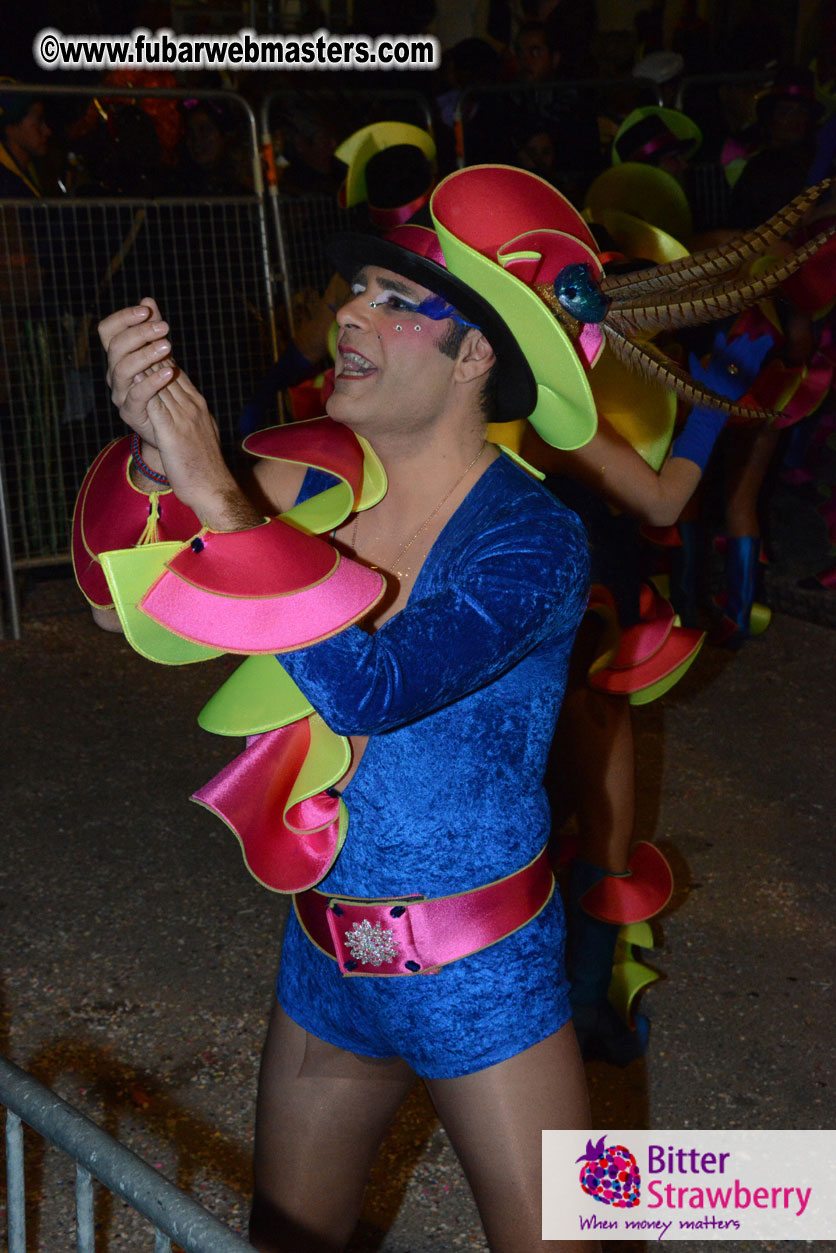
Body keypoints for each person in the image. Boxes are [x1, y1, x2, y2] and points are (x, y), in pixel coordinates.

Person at [76, 168, 601, 1253]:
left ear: (476, 357)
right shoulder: (316, 483)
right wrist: (148, 450)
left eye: (399, 300)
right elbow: (114, 588)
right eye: (354, 288)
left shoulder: (535, 539)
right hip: (323, 959)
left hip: (479, 970)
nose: (352, 311)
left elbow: (374, 687)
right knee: (286, 1242)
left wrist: (219, 492)